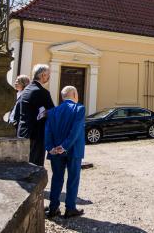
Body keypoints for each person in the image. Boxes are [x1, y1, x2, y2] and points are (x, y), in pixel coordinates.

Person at [44, 86, 86, 219]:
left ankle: (53, 208)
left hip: (55, 151)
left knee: (56, 178)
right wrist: (65, 146)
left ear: (63, 97)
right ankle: (70, 209)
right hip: (73, 150)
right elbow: (76, 130)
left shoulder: (53, 111)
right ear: (74, 94)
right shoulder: (79, 108)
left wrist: (50, 147)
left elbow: (47, 131)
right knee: (73, 179)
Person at [18, 64, 55, 166]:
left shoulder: (25, 90)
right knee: (35, 168)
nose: (48, 77)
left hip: (22, 132)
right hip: (37, 135)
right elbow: (53, 113)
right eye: (48, 75)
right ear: (43, 75)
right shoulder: (42, 92)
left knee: (23, 165)